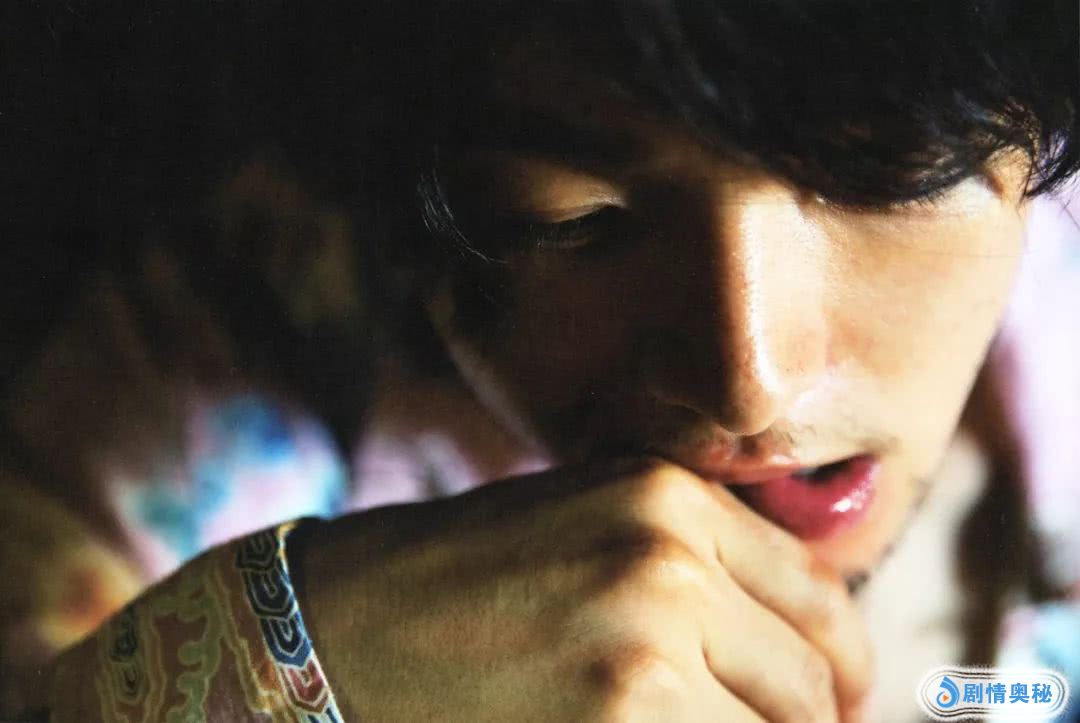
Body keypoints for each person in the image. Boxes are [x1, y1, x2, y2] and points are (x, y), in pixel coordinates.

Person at [1, 1, 1078, 721]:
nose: (749, 380)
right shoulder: (228, 357)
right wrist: (289, 666)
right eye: (561, 219)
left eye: (895, 174)